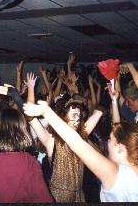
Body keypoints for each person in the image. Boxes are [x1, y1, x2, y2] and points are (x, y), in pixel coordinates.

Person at [23, 76, 138, 202]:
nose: (107, 144)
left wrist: (47, 112)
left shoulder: (114, 175)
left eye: (110, 141)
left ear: (121, 148)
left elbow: (76, 143)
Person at [23, 72, 103, 202]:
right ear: (63, 118)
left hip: (79, 196)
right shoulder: (51, 140)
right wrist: (31, 89)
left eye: (78, 116)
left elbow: (99, 111)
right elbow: (30, 117)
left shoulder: (81, 137)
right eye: (73, 115)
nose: (76, 120)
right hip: (58, 197)